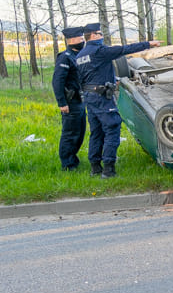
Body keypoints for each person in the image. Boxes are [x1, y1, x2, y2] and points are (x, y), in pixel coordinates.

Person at [76, 23, 161, 178]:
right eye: (100, 33)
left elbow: (84, 77)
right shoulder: (99, 51)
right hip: (102, 98)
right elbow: (124, 50)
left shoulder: (80, 56)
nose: (102, 36)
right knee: (112, 128)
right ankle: (108, 170)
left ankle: (95, 168)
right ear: (93, 36)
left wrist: (109, 79)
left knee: (96, 132)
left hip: (90, 97)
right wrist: (148, 44)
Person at [51, 26, 87, 171]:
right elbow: (57, 81)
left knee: (80, 133)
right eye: (81, 38)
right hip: (70, 102)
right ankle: (67, 165)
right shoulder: (65, 57)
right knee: (70, 134)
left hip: (79, 100)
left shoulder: (78, 55)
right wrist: (62, 102)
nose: (83, 41)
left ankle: (73, 159)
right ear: (72, 40)